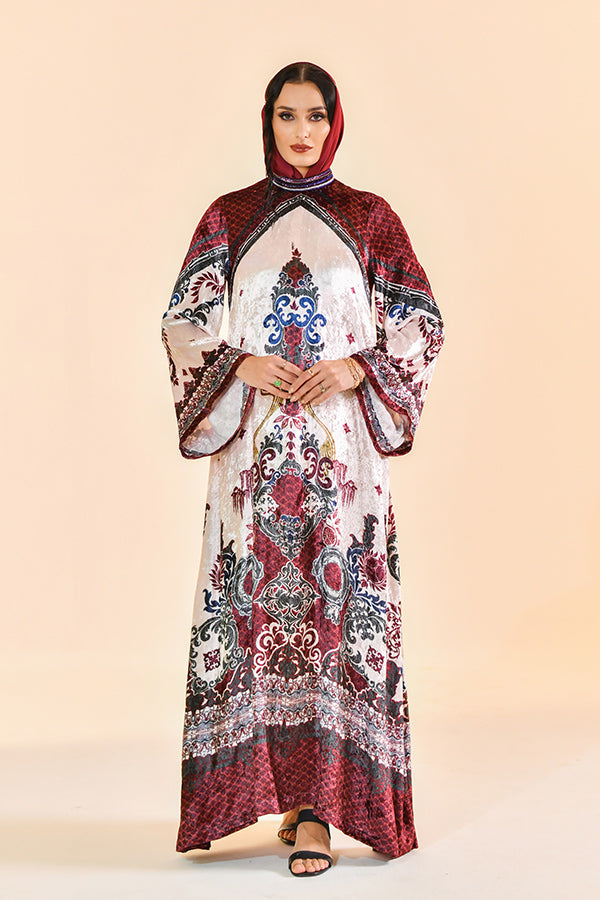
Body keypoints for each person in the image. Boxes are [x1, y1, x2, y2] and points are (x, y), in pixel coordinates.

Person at [161, 61, 444, 878]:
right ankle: (280, 800)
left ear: (334, 122)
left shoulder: (369, 218)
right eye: (287, 116)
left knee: (333, 612)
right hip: (252, 464)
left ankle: (319, 812)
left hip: (341, 463)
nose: (301, 132)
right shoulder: (229, 217)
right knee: (258, 617)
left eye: (315, 116)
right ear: (268, 121)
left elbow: (422, 323)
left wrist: (357, 368)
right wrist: (240, 363)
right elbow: (182, 324)